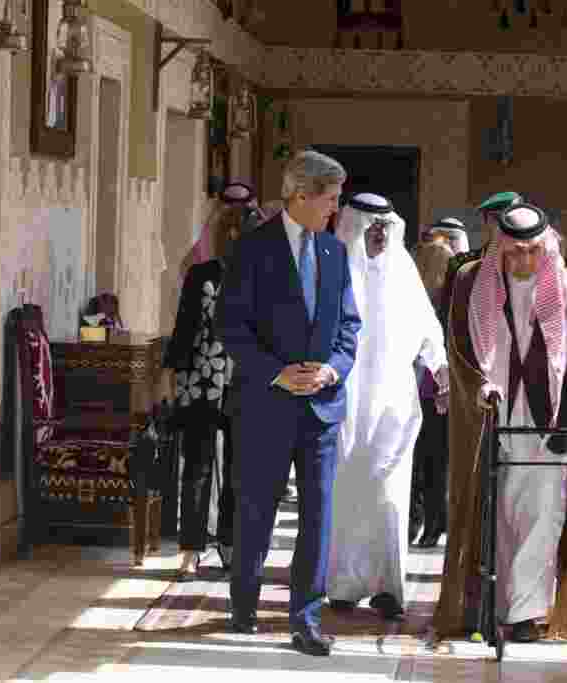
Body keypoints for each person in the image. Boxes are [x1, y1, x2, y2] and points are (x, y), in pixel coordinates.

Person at [432, 203, 567, 644]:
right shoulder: (471, 283)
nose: (523, 262)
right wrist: (480, 386)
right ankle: (494, 604)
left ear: (547, 248)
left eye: (533, 252)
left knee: (544, 514)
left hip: (550, 424)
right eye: (515, 252)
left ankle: (527, 613)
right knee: (496, 513)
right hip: (492, 421)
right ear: (501, 248)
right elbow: (458, 345)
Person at [215, 150, 361, 657]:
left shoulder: (334, 253)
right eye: (331, 200)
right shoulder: (251, 250)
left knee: (318, 515)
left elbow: (349, 327)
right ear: (301, 195)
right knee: (256, 508)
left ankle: (306, 619)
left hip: (321, 408)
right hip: (265, 404)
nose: (335, 211)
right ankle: (243, 606)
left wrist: (330, 370)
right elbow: (230, 327)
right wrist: (277, 373)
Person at [327, 193, 449, 620]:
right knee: (345, 495)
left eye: (384, 225)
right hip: (344, 402)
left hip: (393, 404)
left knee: (389, 496)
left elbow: (428, 330)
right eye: (370, 225)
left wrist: (442, 370)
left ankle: (388, 588)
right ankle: (342, 585)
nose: (378, 233)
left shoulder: (403, 271)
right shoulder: (333, 269)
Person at [165, 204, 245, 576]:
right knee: (198, 465)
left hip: (243, 386)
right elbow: (184, 330)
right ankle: (192, 547)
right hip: (202, 383)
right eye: (229, 231)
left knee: (235, 467)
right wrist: (170, 380)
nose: (233, 239)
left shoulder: (258, 279)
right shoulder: (200, 275)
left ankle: (228, 541)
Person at [408, 221, 469, 547]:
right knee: (437, 461)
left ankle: (417, 522)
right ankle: (434, 523)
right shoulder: (452, 299)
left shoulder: (416, 294)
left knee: (418, 459)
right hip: (439, 389)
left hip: (420, 387)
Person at [439, 192, 524, 328]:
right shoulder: (461, 265)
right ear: (485, 220)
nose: (504, 225)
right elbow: (447, 318)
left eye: (510, 219)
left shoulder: (534, 265)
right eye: (496, 218)